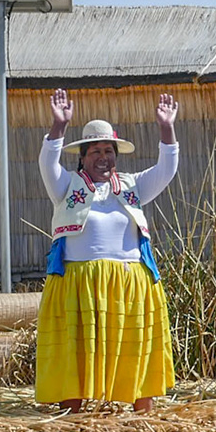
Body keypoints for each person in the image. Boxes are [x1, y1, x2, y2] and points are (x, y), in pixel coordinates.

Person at [36, 89, 179, 413]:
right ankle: (72, 417)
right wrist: (59, 126)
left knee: (134, 346)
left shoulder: (132, 186)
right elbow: (47, 161)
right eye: (95, 151)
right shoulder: (66, 186)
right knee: (75, 349)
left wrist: (166, 128)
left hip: (129, 283)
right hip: (78, 283)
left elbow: (167, 168)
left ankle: (142, 414)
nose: (103, 157)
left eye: (108, 150)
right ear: (82, 156)